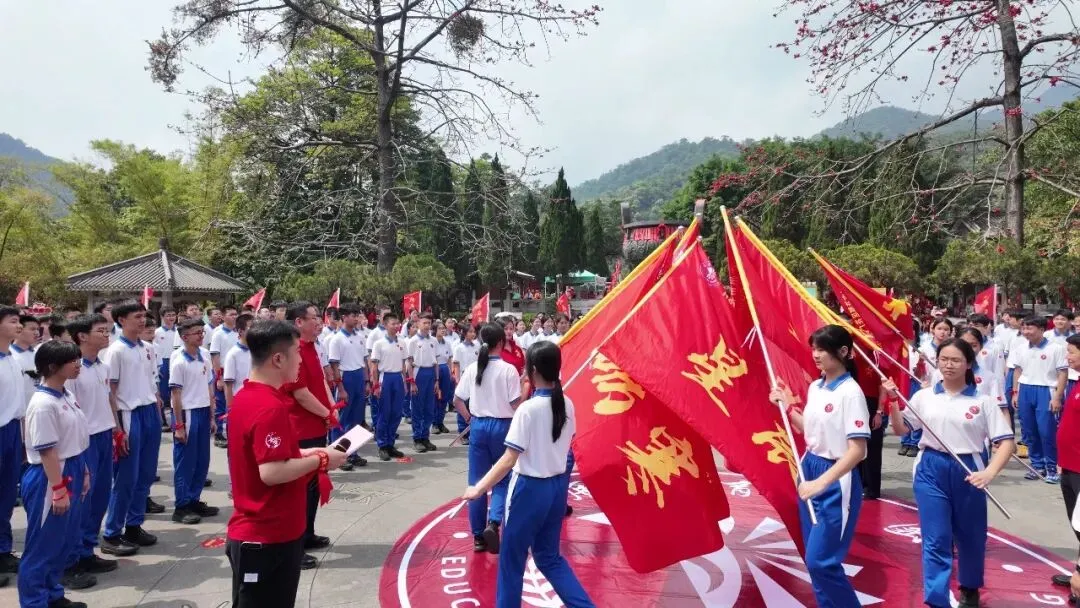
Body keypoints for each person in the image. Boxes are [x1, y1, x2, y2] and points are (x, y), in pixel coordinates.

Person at [885, 338, 1015, 608]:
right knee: (935, 536)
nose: (948, 365)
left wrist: (989, 473)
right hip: (930, 468)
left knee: (970, 535)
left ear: (968, 364)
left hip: (969, 470)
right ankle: (936, 597)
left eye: (956, 360)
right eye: (944, 359)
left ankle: (969, 586)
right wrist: (894, 403)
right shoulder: (924, 396)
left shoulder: (983, 401)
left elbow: (1007, 443)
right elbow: (901, 430)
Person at [225, 320, 347, 608]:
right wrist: (322, 458)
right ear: (278, 359)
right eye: (297, 352)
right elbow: (271, 472)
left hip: (264, 533)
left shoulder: (248, 396)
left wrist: (314, 452)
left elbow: (270, 458)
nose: (301, 359)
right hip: (268, 536)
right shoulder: (269, 407)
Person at [462, 341, 593, 607]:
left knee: (512, 560)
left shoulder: (527, 410)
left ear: (532, 371)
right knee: (549, 557)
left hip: (528, 490)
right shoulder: (567, 404)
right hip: (556, 489)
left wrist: (479, 488)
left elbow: (509, 459)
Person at [768, 324, 869, 608]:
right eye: (814, 348)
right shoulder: (816, 386)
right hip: (809, 467)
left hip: (836, 478)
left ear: (844, 352)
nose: (816, 355)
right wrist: (787, 407)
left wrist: (821, 482)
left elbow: (858, 451)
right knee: (812, 561)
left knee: (822, 561)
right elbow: (809, 431)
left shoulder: (851, 393)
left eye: (822, 349)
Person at [18, 340, 91, 608]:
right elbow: (47, 451)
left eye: (78, 359)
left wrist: (82, 470)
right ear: (52, 367)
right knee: (42, 546)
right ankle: (34, 601)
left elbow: (73, 439)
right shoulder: (42, 403)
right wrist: (58, 489)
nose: (77, 364)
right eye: (72, 360)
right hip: (50, 476)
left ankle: (52, 593)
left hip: (71, 467)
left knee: (63, 541)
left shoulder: (66, 395)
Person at [64, 315, 136, 587]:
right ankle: (69, 562)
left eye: (108, 330)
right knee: (80, 502)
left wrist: (117, 429)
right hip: (83, 441)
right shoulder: (72, 370)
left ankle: (86, 551)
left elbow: (109, 400)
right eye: (101, 331)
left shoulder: (102, 367)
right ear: (82, 336)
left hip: (105, 435)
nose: (107, 335)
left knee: (99, 497)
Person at [453, 323, 523, 554]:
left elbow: (458, 400)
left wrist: (469, 418)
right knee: (502, 478)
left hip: (480, 426)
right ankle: (494, 522)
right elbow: (514, 404)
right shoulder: (509, 370)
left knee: (477, 481)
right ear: (501, 343)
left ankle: (478, 538)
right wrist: (525, 391)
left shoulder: (473, 368)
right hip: (503, 426)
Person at [101, 301, 161, 552]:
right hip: (129, 414)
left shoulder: (148, 347)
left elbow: (152, 384)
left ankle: (134, 526)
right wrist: (117, 429)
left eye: (143, 316)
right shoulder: (115, 351)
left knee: (146, 474)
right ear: (121, 320)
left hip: (149, 413)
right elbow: (110, 392)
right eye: (136, 316)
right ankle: (112, 533)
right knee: (127, 477)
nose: (142, 320)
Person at [283, 302, 338, 568]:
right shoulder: (293, 351)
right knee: (300, 490)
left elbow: (322, 384)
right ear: (298, 323)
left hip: (316, 424)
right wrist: (326, 414)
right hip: (300, 428)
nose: (319, 322)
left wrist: (330, 410)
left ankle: (307, 533)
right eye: (314, 318)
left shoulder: (313, 348)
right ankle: (294, 546)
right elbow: (300, 393)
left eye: (319, 318)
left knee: (314, 485)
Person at [168, 318, 219, 525]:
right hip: (187, 413)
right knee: (185, 461)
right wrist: (179, 425)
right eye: (196, 332)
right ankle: (181, 506)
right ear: (184, 336)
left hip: (203, 410)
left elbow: (209, 387)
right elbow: (176, 394)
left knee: (201, 460)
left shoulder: (204, 356)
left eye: (202, 331)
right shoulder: (179, 360)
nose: (201, 335)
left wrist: (212, 415)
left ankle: (194, 499)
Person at [1010, 314, 1069, 483]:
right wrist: (1015, 392)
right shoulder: (1020, 348)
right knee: (1029, 431)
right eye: (1024, 328)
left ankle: (1052, 466)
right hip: (1025, 390)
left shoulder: (1056, 348)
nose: (1026, 331)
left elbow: (1062, 373)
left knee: (1046, 430)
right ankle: (1037, 466)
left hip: (1046, 390)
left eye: (1030, 328)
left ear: (1042, 329)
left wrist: (1057, 396)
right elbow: (1017, 371)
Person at [1052, 333, 1080, 599]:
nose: (1067, 357)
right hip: (1070, 466)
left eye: (1071, 351)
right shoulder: (1077, 381)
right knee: (1077, 523)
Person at [0, 306, 26, 586]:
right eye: (13, 321)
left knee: (6, 496)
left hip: (12, 430)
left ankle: (3, 550)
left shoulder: (12, 358)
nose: (18, 326)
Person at [326, 304, 369, 469]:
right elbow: (335, 365)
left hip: (358, 376)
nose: (356, 318)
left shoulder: (360, 337)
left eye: (357, 315)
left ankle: (353, 453)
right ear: (344, 317)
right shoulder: (336, 339)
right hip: (346, 378)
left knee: (357, 419)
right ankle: (339, 456)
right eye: (353, 315)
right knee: (343, 420)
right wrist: (341, 388)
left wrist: (366, 382)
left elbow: (364, 361)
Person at [370, 313, 410, 461]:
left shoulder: (402, 342)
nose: (396, 326)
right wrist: (375, 386)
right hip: (385, 378)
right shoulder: (379, 343)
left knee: (396, 413)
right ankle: (382, 445)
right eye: (393, 323)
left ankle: (390, 444)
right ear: (385, 325)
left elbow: (405, 364)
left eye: (397, 323)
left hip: (398, 378)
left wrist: (405, 382)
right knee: (384, 413)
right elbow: (374, 366)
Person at [407, 315, 439, 453]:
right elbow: (409, 362)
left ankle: (425, 437)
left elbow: (436, 361)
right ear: (418, 324)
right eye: (424, 322)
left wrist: (437, 380)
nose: (427, 325)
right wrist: (412, 382)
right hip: (418, 373)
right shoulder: (413, 341)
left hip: (430, 373)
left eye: (429, 322)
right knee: (417, 408)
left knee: (429, 408)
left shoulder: (433, 340)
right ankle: (417, 438)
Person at [209, 306, 239, 449]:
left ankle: (232, 432)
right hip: (222, 371)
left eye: (235, 314)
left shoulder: (238, 332)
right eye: (231, 314)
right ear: (223, 316)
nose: (234, 316)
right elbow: (215, 355)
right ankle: (219, 433)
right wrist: (218, 377)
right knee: (221, 405)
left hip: (237, 372)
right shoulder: (218, 333)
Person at [451, 324, 482, 439]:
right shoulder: (459, 347)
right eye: (470, 332)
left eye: (474, 332)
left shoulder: (477, 346)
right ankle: (462, 432)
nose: (472, 334)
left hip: (475, 377)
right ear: (464, 333)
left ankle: (472, 431)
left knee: (472, 404)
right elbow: (456, 364)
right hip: (464, 377)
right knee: (462, 404)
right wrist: (457, 380)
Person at [223, 313, 255, 412]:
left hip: (255, 398)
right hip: (240, 400)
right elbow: (228, 385)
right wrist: (230, 408)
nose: (256, 331)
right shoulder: (233, 354)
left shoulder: (257, 350)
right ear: (240, 331)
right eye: (251, 327)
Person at [432, 322, 454, 435]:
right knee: (435, 397)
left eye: (443, 328)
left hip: (445, 368)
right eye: (440, 328)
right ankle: (434, 423)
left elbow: (450, 358)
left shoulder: (447, 343)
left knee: (444, 397)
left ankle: (440, 422)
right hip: (435, 368)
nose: (443, 330)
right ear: (435, 330)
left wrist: (450, 372)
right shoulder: (432, 341)